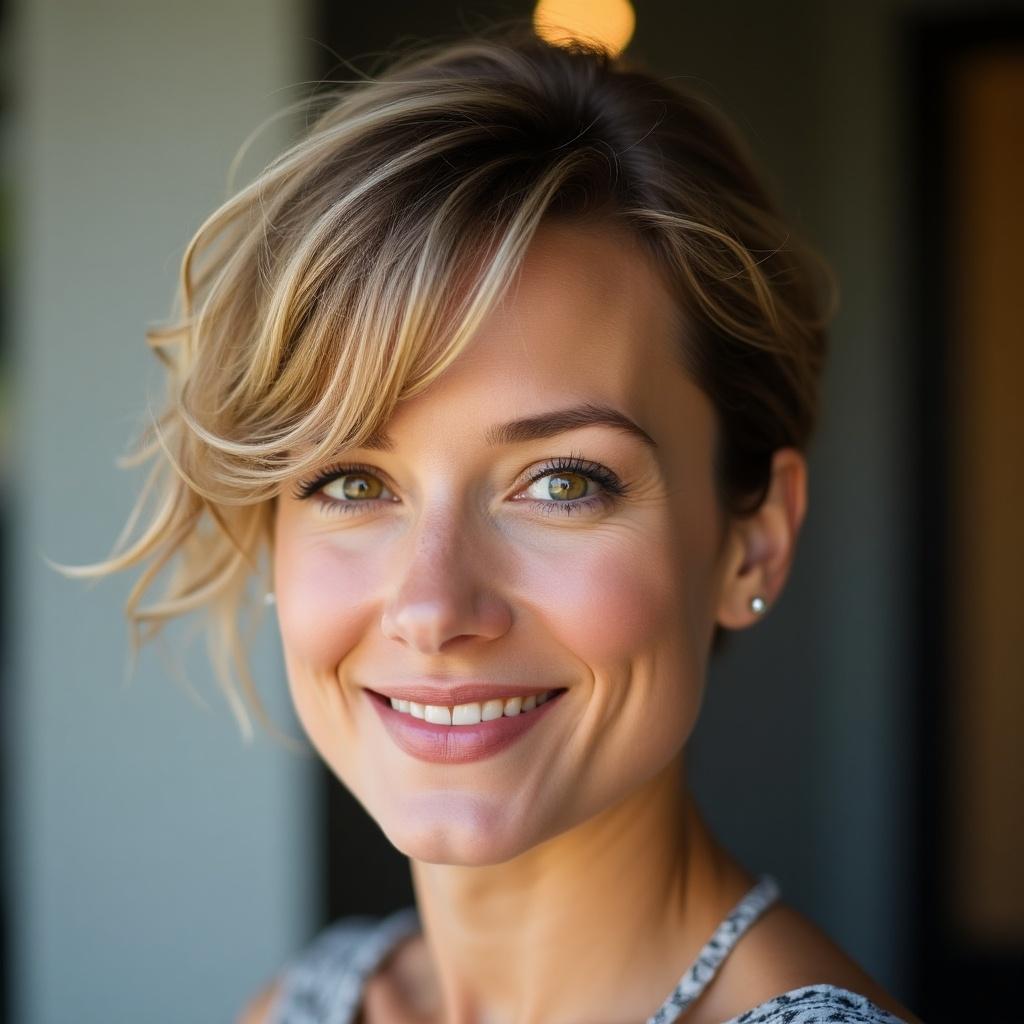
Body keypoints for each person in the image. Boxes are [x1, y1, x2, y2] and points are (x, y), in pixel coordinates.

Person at [62, 20, 925, 1024]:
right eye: (348, 479)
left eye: (561, 483)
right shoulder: (304, 1003)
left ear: (753, 538)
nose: (434, 607)